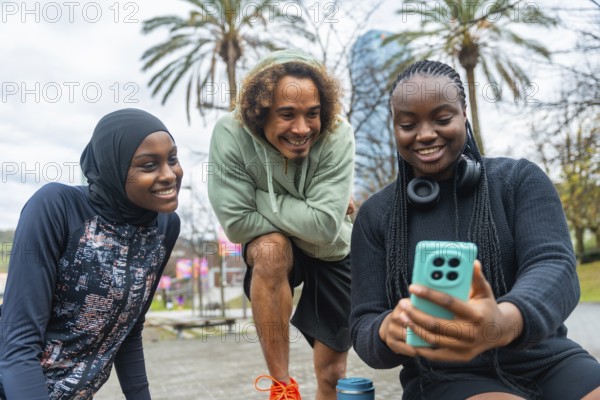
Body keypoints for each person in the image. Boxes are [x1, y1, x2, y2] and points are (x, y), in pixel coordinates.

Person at [349, 60, 600, 400]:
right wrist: (387, 332)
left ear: (464, 114)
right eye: (408, 124)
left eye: (442, 119)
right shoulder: (376, 215)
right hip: (444, 376)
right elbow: (364, 322)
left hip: (549, 360)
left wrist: (499, 323)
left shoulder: (519, 180)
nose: (424, 134)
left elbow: (554, 266)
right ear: (394, 127)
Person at [0, 108, 183, 399]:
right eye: (149, 165)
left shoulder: (164, 227)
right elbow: (19, 344)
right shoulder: (56, 207)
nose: (169, 174)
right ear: (114, 168)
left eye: (172, 159)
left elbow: (128, 329)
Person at [207, 49, 355, 399]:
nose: (302, 129)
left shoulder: (337, 133)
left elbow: (322, 228)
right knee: (271, 249)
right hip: (272, 242)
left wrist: (257, 196)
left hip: (331, 250)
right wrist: (311, 211)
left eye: (312, 114)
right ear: (260, 114)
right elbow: (237, 224)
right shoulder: (230, 133)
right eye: (287, 115)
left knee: (334, 375)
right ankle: (282, 386)